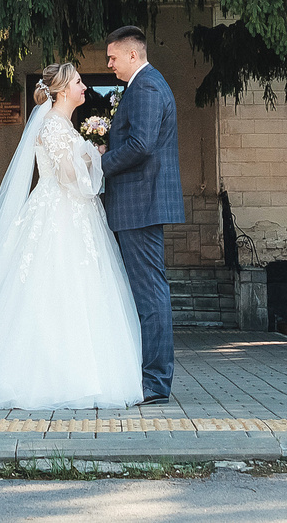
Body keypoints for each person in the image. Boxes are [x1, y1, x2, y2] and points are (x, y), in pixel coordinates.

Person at [0, 62, 143, 409]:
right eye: (80, 82)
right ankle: (49, 377)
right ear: (64, 89)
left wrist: (89, 155)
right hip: (58, 211)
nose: (86, 87)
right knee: (50, 284)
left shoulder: (62, 124)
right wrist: (94, 160)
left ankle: (79, 373)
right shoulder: (53, 126)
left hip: (68, 213)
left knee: (74, 288)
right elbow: (69, 178)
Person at [99, 24, 183, 403]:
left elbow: (141, 145)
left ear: (133, 54)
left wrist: (100, 164)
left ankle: (155, 383)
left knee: (150, 293)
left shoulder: (146, 86)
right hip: (140, 203)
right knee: (147, 291)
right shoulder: (144, 84)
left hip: (141, 204)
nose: (110, 65)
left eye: (113, 58)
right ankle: (152, 377)